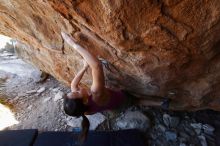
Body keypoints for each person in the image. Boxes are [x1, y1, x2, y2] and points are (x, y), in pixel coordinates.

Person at [61, 32, 170, 142]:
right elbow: (97, 66)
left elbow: (73, 85)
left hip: (112, 107)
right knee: (137, 100)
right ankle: (162, 103)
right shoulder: (96, 93)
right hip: (121, 99)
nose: (76, 89)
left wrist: (84, 67)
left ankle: (163, 103)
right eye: (76, 93)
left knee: (135, 101)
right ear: (84, 100)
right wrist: (73, 44)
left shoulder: (84, 110)